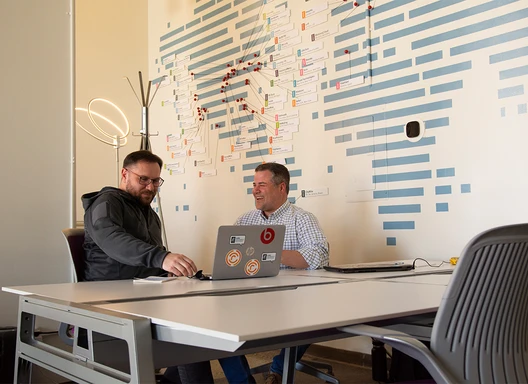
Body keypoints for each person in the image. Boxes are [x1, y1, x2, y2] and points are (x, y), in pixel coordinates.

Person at [82, 150, 218, 384]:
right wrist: (162, 258)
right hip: (111, 297)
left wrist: (173, 272)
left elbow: (151, 263)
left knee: (205, 322)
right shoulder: (105, 203)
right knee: (188, 331)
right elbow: (113, 240)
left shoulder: (148, 214)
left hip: (145, 293)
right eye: (143, 179)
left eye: (155, 181)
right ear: (125, 174)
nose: (150, 187)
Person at [234, 162, 330, 384]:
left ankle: (278, 369)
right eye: (254, 185)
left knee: (311, 317)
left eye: (262, 185)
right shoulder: (245, 220)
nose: (255, 190)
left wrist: (267, 252)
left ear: (281, 188)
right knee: (218, 324)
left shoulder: (302, 218)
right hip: (250, 297)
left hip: (294, 298)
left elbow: (318, 256)